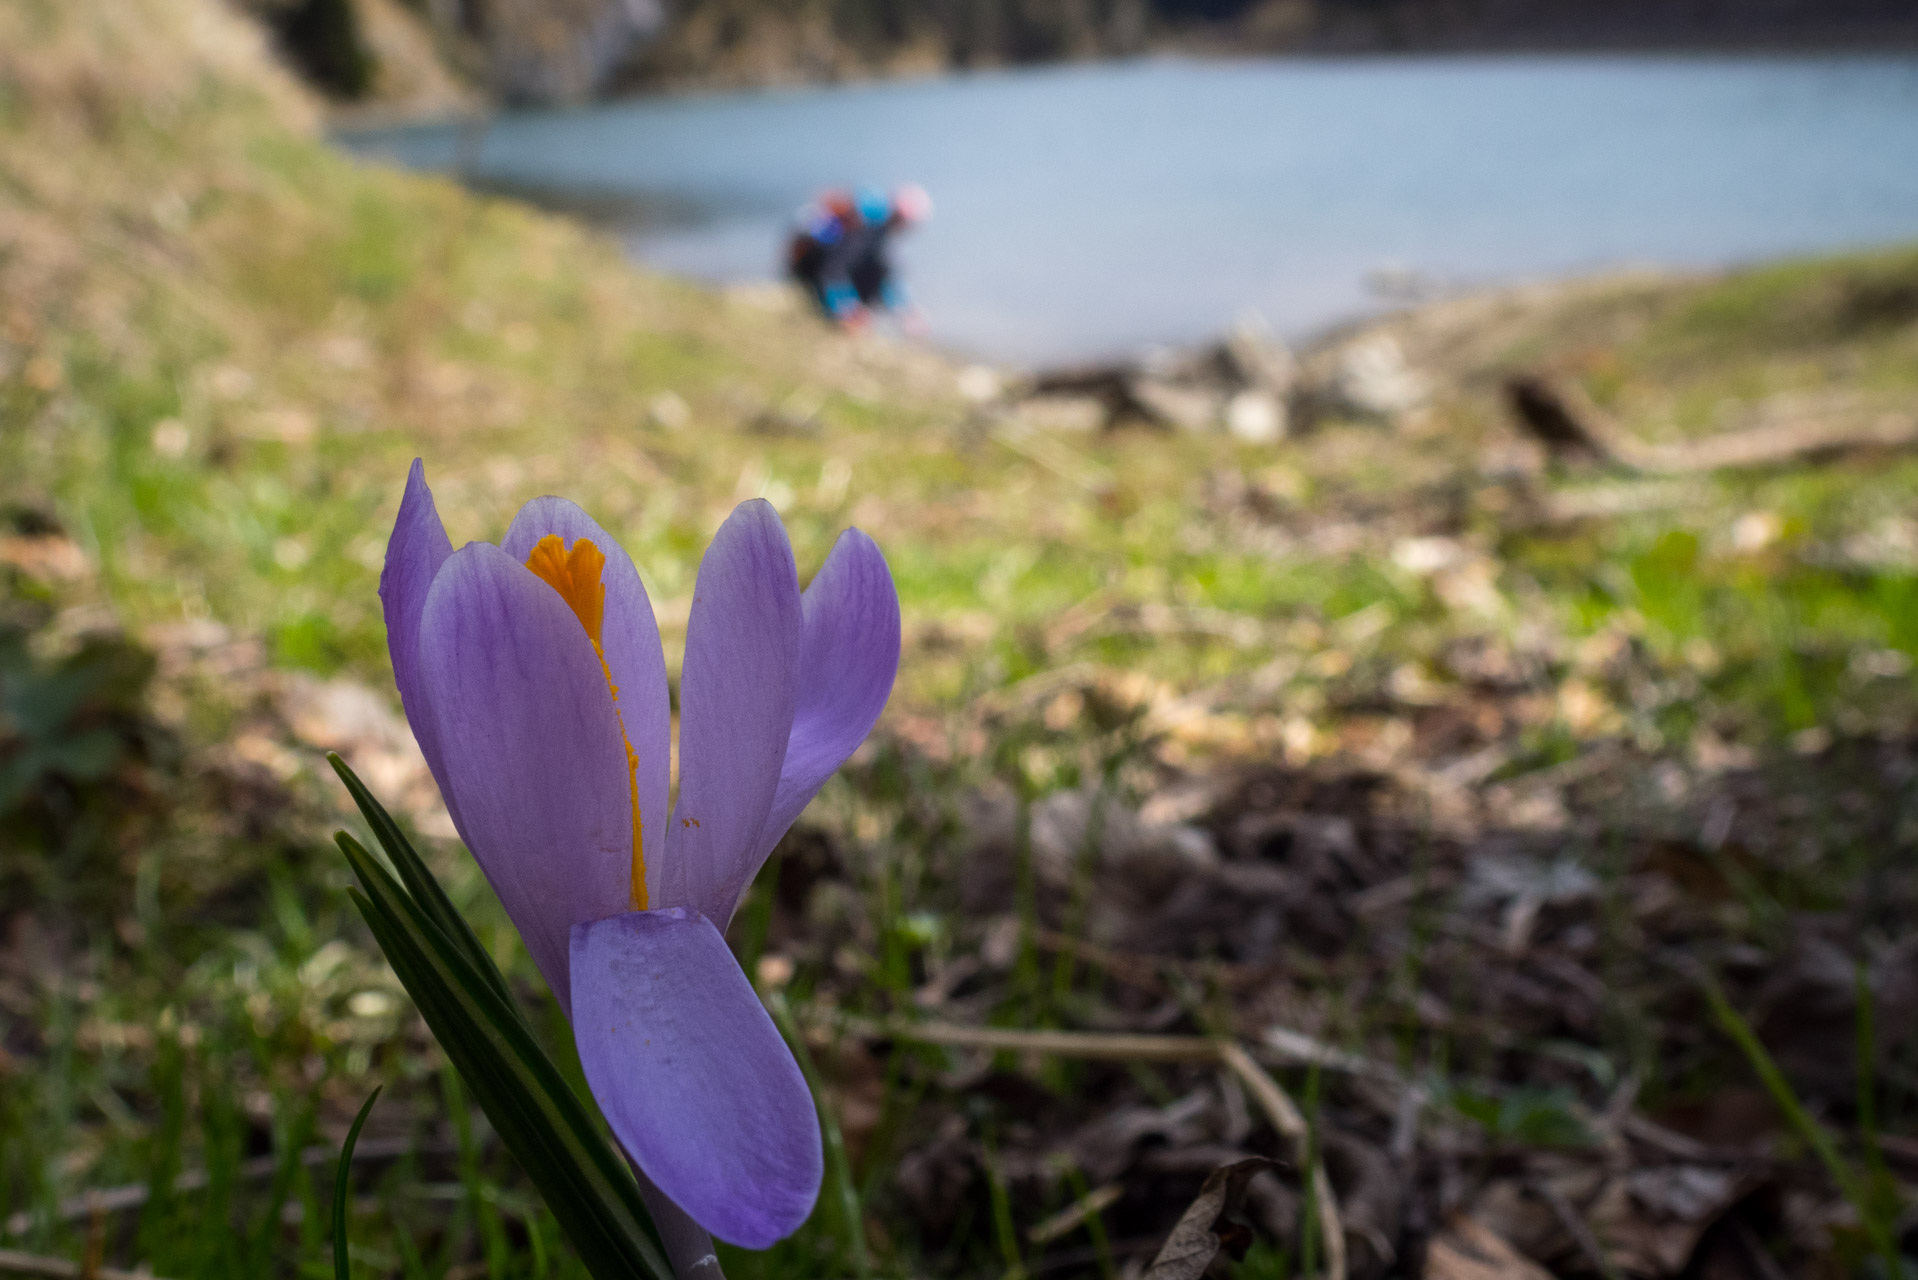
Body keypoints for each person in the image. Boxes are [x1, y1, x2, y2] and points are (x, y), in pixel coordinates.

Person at [786, 184, 932, 334]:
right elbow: (833, 268)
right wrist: (847, 309)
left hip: (810, 264)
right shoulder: (865, 230)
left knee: (881, 270)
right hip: (809, 269)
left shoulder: (873, 225)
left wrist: (905, 308)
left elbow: (883, 269)